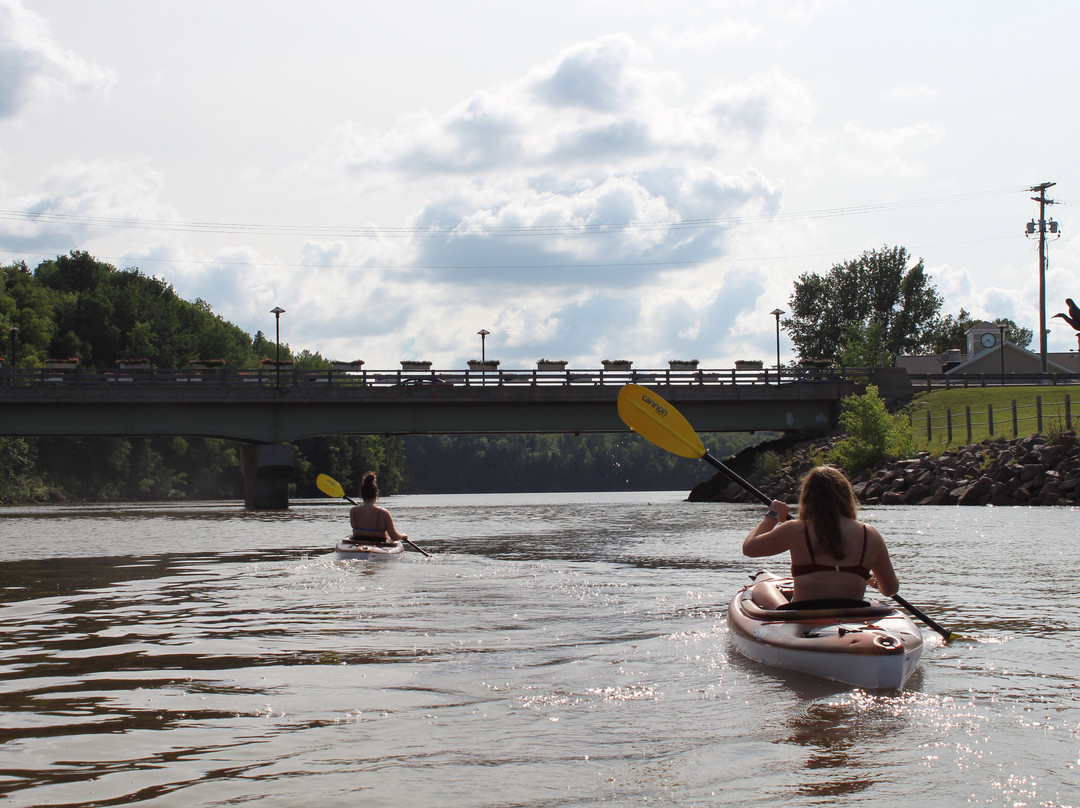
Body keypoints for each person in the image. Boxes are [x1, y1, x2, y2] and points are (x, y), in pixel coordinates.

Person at [742, 465, 899, 610]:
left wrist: (773, 516)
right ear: (846, 496)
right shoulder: (870, 533)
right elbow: (890, 590)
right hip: (852, 611)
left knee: (762, 587)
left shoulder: (795, 529)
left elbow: (749, 548)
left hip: (802, 613)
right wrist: (873, 581)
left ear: (807, 497)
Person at [348, 471, 408, 545]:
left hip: (358, 543)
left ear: (361, 495)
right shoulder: (384, 513)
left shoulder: (353, 511)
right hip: (379, 544)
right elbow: (394, 537)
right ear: (376, 494)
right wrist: (403, 536)